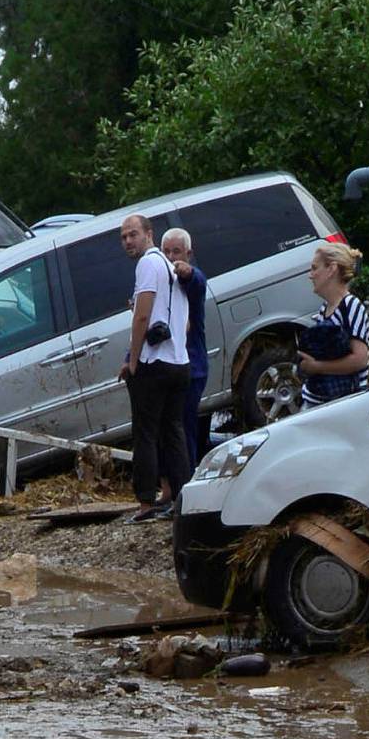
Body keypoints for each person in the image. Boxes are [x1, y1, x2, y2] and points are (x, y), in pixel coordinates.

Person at [117, 208, 190, 520]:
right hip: (179, 360)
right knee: (173, 430)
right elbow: (183, 321)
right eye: (123, 237)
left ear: (149, 234)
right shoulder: (170, 266)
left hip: (155, 361)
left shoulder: (148, 263)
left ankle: (146, 502)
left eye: (133, 234)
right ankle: (180, 495)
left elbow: (142, 315)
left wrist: (132, 360)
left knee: (145, 433)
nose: (128, 241)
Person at [297, 242, 369, 407]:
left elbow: (360, 360)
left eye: (315, 268)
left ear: (331, 269)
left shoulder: (351, 306)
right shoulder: (326, 307)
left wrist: (317, 367)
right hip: (319, 401)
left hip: (341, 405)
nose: (311, 275)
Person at [163, 225, 212, 476]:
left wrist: (187, 272)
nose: (171, 258)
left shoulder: (192, 280)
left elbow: (196, 280)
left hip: (192, 368)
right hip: (170, 369)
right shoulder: (162, 283)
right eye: (167, 252)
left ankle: (188, 482)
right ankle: (172, 486)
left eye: (177, 252)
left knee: (184, 428)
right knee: (170, 430)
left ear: (188, 253)